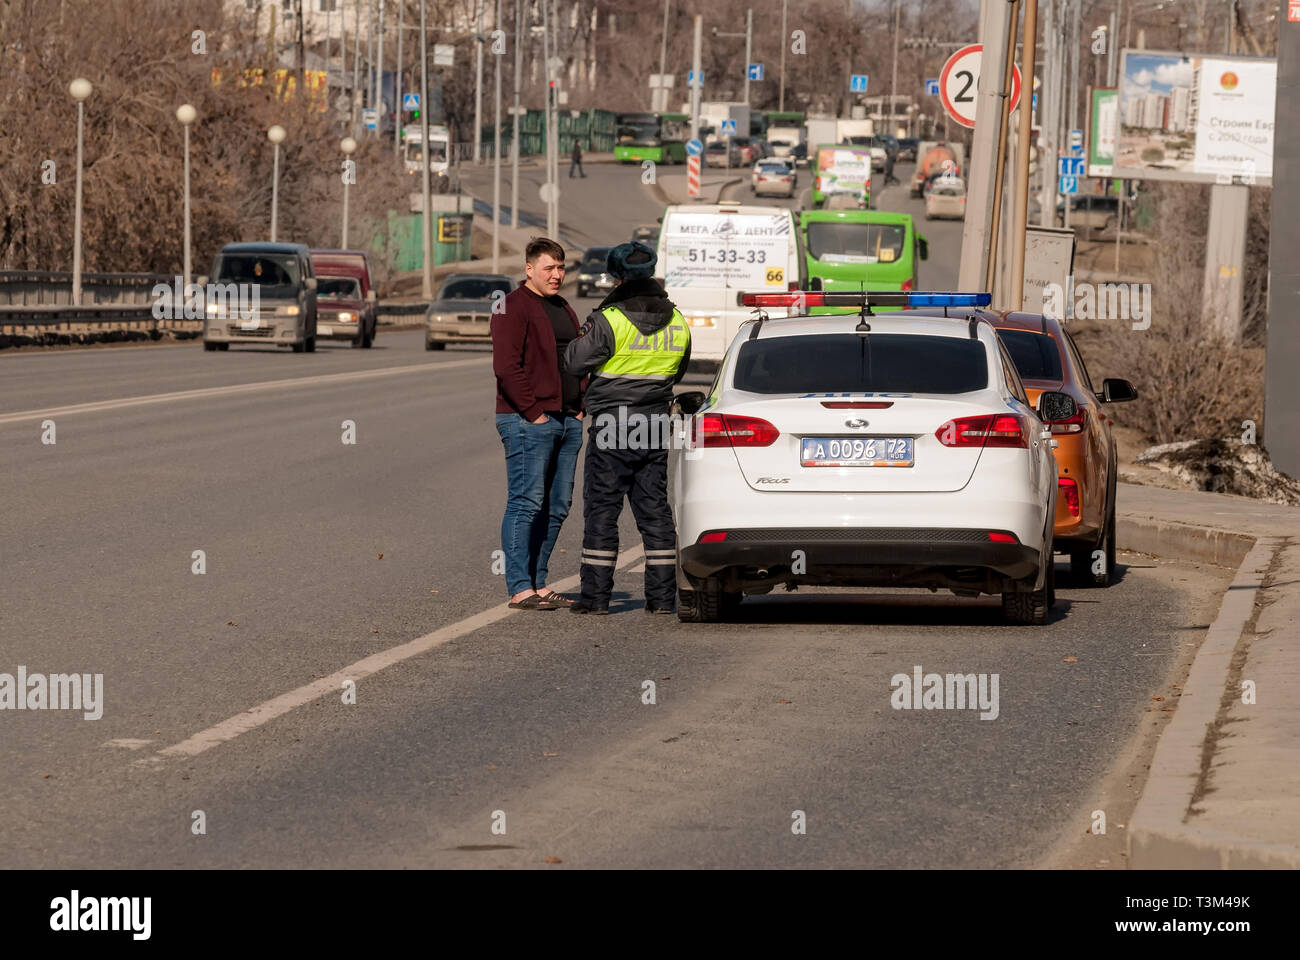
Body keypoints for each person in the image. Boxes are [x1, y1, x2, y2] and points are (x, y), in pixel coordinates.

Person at [563, 242, 691, 615]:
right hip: (653, 423)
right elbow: (677, 371)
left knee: (603, 511)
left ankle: (595, 598)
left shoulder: (609, 319)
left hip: (612, 425)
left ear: (616, 277)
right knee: (654, 515)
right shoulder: (678, 321)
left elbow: (573, 362)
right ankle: (663, 599)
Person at [490, 237, 587, 610]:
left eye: (561, 268)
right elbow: (505, 367)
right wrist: (534, 413)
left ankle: (538, 581)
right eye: (549, 268)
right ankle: (519, 587)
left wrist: (580, 404)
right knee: (526, 503)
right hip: (526, 420)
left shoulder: (563, 307)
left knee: (558, 505)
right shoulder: (510, 307)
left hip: (566, 418)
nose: (557, 275)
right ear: (529, 269)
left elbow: (576, 359)